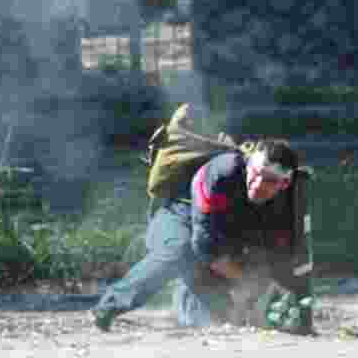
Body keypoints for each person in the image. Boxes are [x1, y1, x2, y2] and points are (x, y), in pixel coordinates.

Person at [91, 138, 300, 331]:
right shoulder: (220, 174)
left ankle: (186, 298)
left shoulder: (291, 197)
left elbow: (278, 251)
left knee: (218, 322)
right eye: (256, 173)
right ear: (249, 165)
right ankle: (107, 306)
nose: (258, 184)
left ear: (284, 183)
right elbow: (203, 247)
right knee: (180, 250)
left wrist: (279, 290)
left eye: (270, 180)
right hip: (176, 217)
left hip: (217, 238)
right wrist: (251, 282)